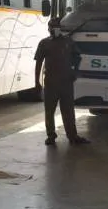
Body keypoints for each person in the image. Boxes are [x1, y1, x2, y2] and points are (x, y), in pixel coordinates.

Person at [35, 18, 90, 146]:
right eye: (52, 27)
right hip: (50, 83)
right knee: (49, 111)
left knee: (68, 111)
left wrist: (75, 71)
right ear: (48, 29)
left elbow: (77, 57)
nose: (54, 29)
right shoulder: (44, 43)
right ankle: (51, 136)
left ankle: (72, 136)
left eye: (56, 26)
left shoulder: (68, 42)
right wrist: (37, 82)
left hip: (66, 82)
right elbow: (38, 63)